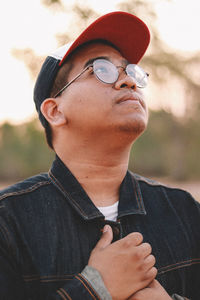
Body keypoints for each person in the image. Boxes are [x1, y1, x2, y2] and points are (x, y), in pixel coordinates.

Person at [0, 11, 199, 300]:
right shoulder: (9, 222)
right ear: (55, 111)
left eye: (131, 71)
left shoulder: (185, 211)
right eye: (101, 70)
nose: (127, 82)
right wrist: (94, 290)